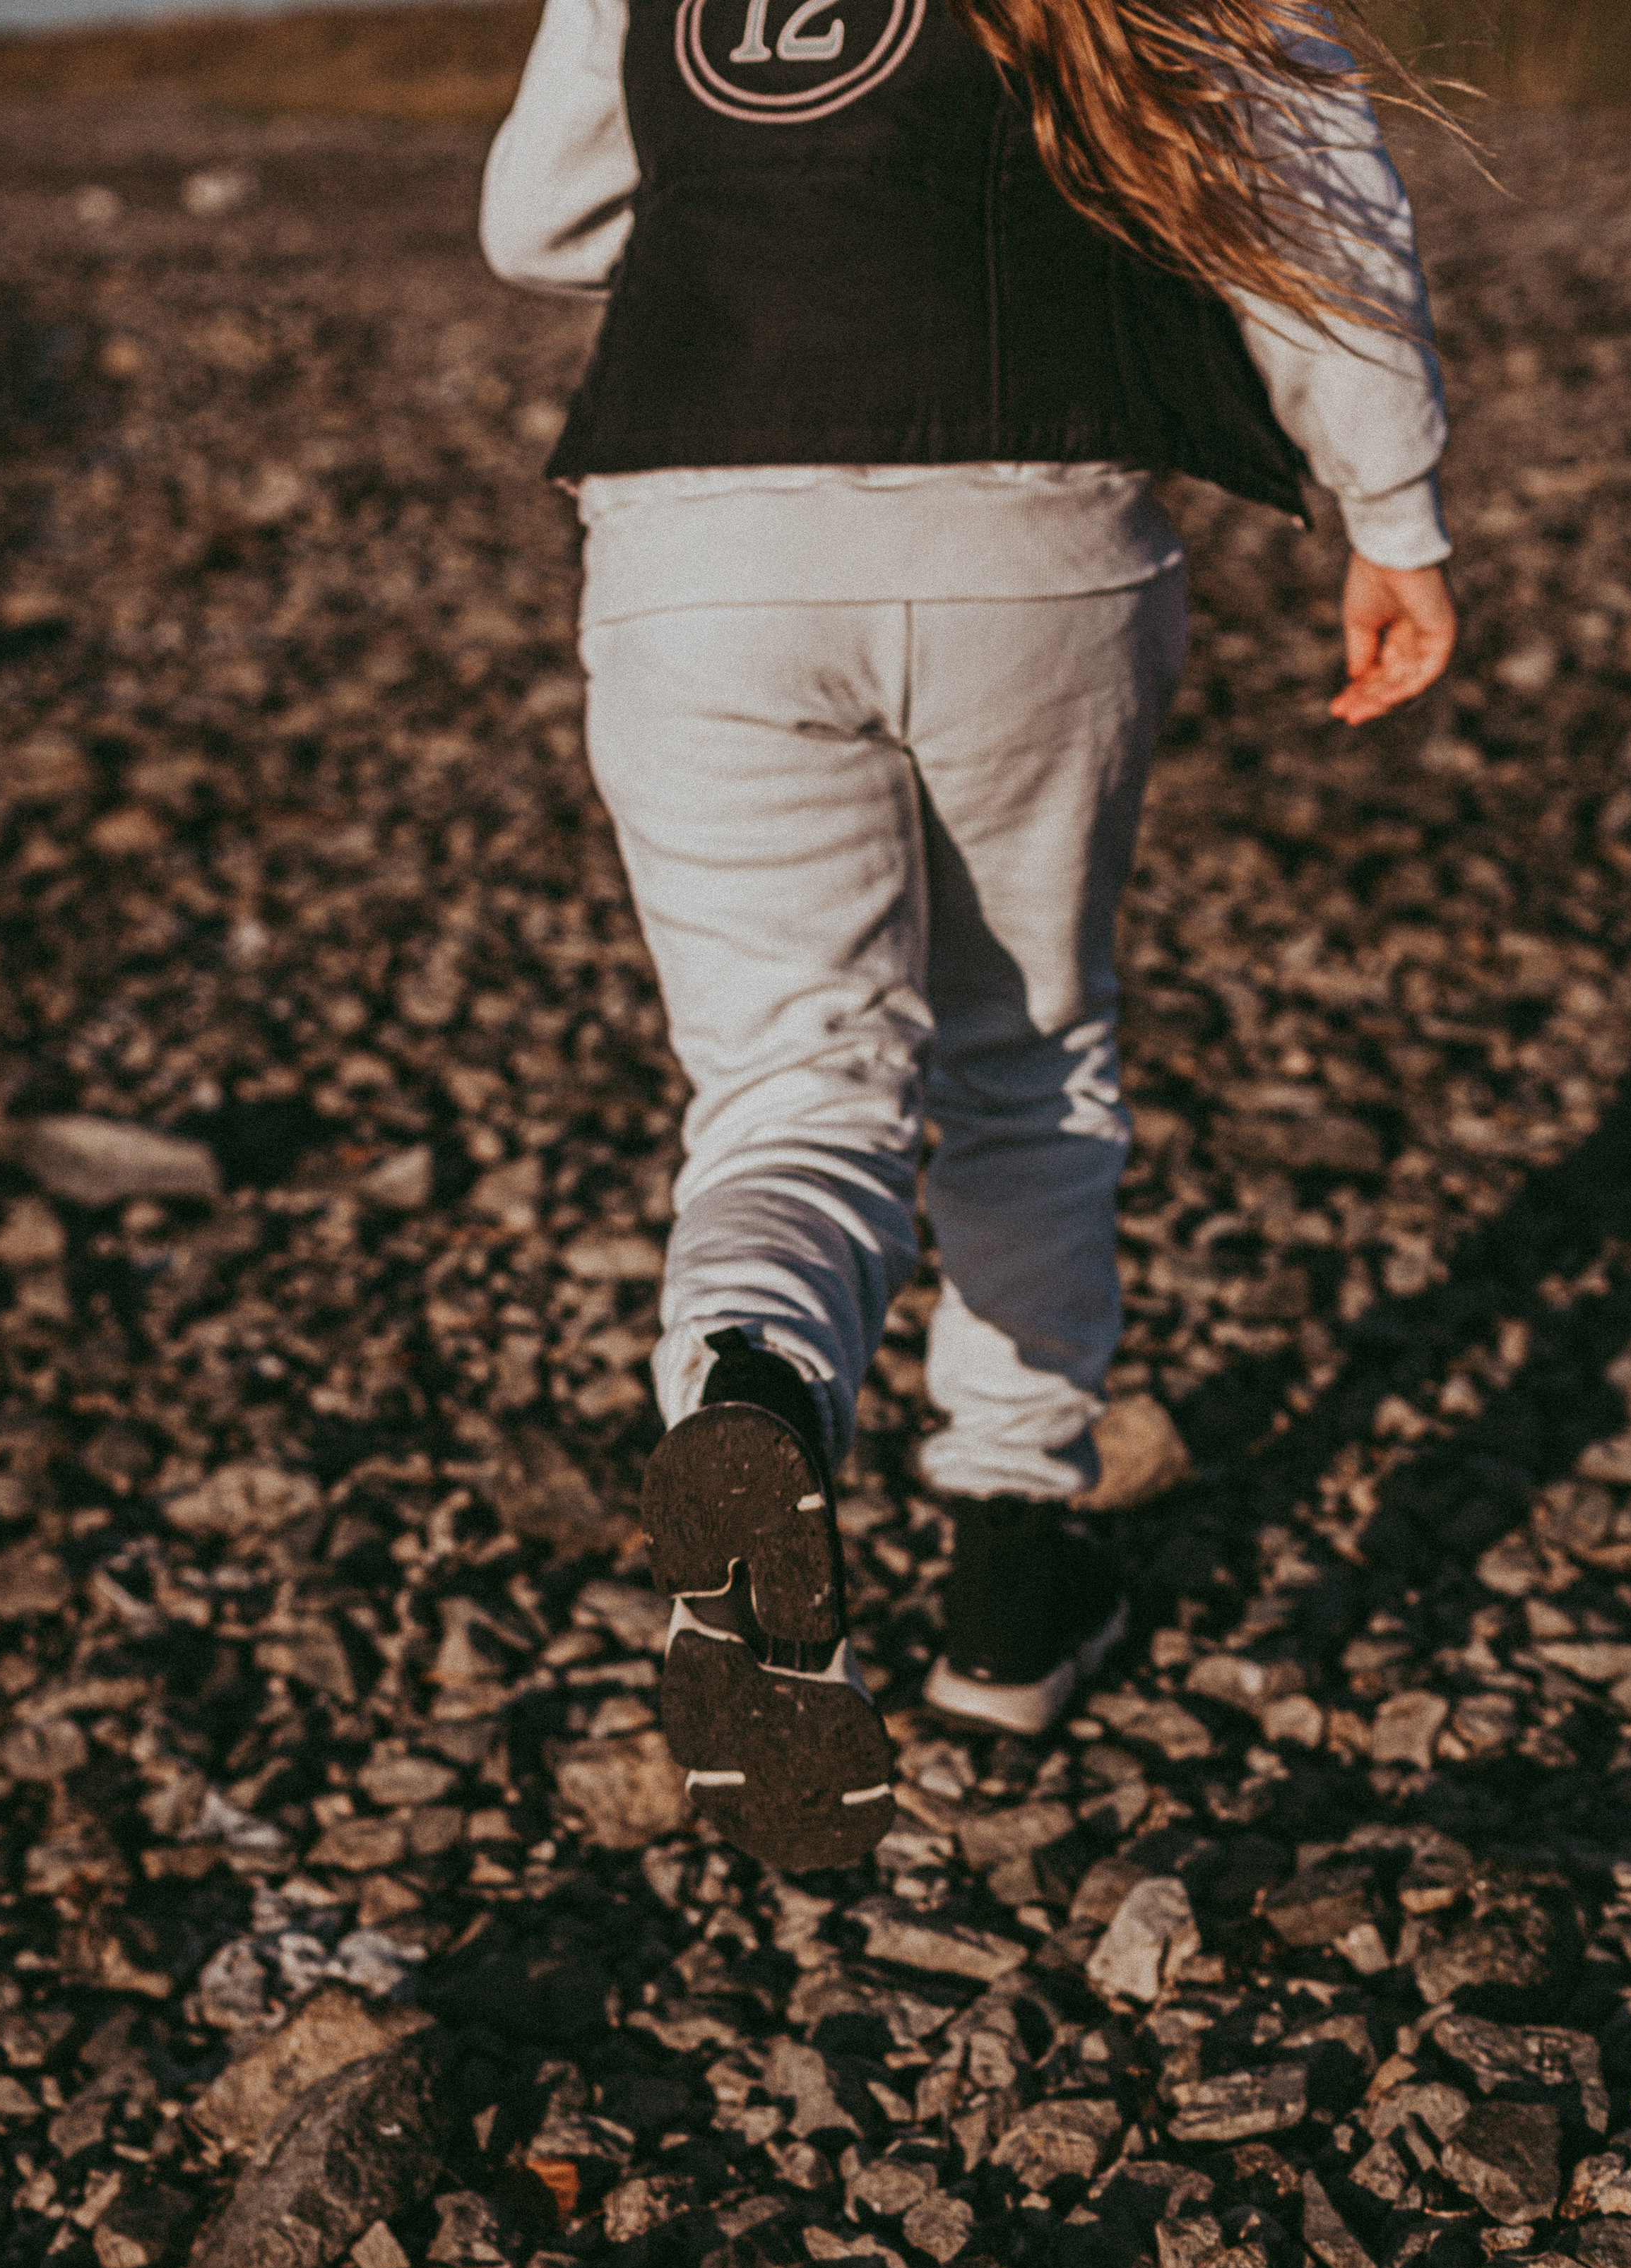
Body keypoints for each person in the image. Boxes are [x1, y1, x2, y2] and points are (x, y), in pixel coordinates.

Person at [480, 0, 1457, 1870]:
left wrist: (774, 199)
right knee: (1030, 1058)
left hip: (705, 539)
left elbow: (537, 224)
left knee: (790, 1082)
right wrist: (1390, 511)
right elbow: (1321, 196)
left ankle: (760, 1387)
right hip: (1044, 530)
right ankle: (1010, 1592)